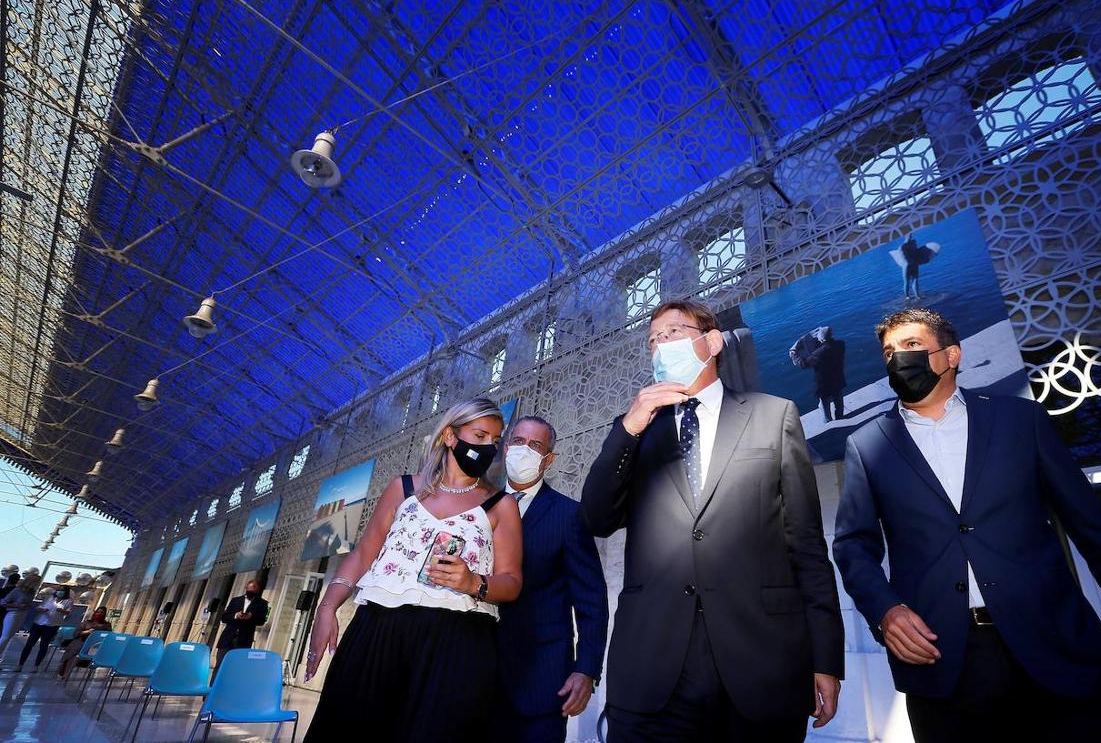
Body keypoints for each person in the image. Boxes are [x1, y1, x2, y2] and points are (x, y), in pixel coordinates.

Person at [832, 308, 1101, 743]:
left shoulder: (1021, 420)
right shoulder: (867, 443)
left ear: (952, 356)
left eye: (911, 346)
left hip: (1058, 649)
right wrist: (885, 610)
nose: (897, 359)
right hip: (945, 665)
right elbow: (853, 546)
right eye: (889, 352)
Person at [580, 299, 844, 742]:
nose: (661, 345)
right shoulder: (634, 430)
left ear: (713, 341)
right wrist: (628, 428)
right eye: (653, 340)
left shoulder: (773, 414)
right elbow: (597, 516)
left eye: (674, 333)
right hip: (654, 663)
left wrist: (826, 658)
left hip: (760, 657)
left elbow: (806, 544)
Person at [303, 397, 523, 743]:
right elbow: (363, 553)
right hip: (379, 627)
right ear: (450, 437)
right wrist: (328, 606)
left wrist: (472, 582)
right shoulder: (402, 489)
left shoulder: (501, 503)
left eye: (494, 441)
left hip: (457, 638)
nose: (488, 448)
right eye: (479, 436)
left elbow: (511, 582)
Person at [494, 415, 609, 743]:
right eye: (518, 442)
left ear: (549, 459)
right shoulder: (478, 508)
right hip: (477, 672)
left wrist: (586, 668)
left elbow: (592, 602)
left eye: (535, 445)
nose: (524, 450)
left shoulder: (569, 515)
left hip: (541, 679)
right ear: (505, 448)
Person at [213, 579, 270, 679]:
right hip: (227, 639)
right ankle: (212, 691)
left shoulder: (262, 604)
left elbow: (261, 621)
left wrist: (250, 617)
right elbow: (224, 617)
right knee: (220, 665)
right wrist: (235, 616)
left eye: (254, 591)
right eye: (250, 590)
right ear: (246, 588)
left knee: (237, 669)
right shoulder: (235, 600)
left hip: (243, 640)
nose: (251, 593)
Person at [789, 326, 847, 422]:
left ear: (821, 339)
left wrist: (794, 355)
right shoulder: (841, 345)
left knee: (825, 404)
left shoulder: (818, 354)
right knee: (838, 399)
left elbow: (804, 364)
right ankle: (840, 417)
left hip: (824, 384)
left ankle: (828, 421)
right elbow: (828, 347)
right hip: (838, 378)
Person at [18, 586, 74, 668]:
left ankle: (36, 665)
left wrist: (61, 610)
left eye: (63, 591)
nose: (60, 592)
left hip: (52, 625)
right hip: (39, 622)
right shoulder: (49, 598)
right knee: (29, 644)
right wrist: (41, 609)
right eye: (59, 590)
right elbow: (38, 607)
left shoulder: (68, 601)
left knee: (44, 645)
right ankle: (20, 664)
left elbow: (68, 612)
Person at [57, 606, 113, 678]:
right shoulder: (87, 622)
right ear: (95, 612)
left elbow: (109, 636)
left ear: (104, 614)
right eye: (98, 612)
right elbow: (76, 634)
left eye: (102, 613)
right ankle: (64, 673)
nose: (99, 614)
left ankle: (65, 673)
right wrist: (87, 632)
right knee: (75, 651)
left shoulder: (106, 625)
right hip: (81, 641)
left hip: (94, 645)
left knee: (76, 654)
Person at [0, 576, 39, 662]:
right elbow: (3, 602)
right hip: (13, 613)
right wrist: (17, 605)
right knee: (5, 636)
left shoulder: (31, 593)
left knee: (9, 637)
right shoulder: (17, 590)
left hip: (22, 614)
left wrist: (28, 605)